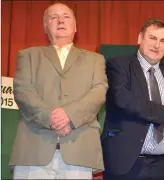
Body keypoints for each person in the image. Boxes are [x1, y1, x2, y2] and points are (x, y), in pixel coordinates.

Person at [9, 3, 108, 179]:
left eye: (66, 16)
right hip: (33, 150)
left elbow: (99, 92)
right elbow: (22, 91)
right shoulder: (28, 55)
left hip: (79, 151)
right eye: (54, 17)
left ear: (75, 27)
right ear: (45, 26)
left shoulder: (95, 60)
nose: (61, 20)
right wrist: (50, 117)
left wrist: (69, 116)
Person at [101, 19, 164, 180]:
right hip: (126, 162)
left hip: (161, 165)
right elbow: (123, 100)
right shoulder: (119, 65)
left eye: (163, 41)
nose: (157, 45)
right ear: (139, 38)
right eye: (152, 38)